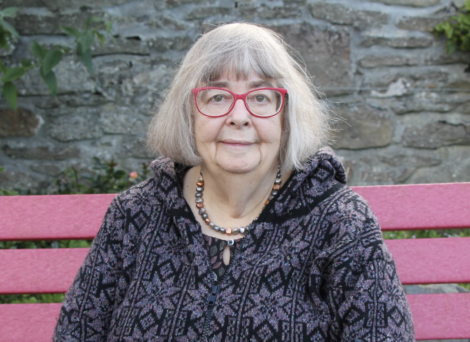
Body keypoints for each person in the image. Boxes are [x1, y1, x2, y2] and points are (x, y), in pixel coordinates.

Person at [53, 23, 414, 341]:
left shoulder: (340, 223)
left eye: (260, 97)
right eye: (217, 97)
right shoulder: (135, 215)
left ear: (286, 116)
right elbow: (75, 332)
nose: (239, 116)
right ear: (188, 113)